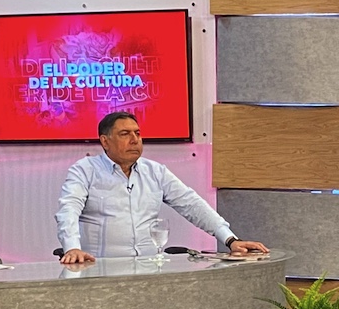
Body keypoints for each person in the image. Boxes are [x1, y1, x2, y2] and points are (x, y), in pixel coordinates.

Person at [55, 111, 268, 263]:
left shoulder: (155, 171)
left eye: (137, 133)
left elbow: (192, 205)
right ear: (105, 141)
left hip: (148, 270)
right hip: (101, 270)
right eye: (125, 134)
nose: (134, 140)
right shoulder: (85, 170)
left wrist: (230, 240)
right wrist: (72, 248)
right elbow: (68, 210)